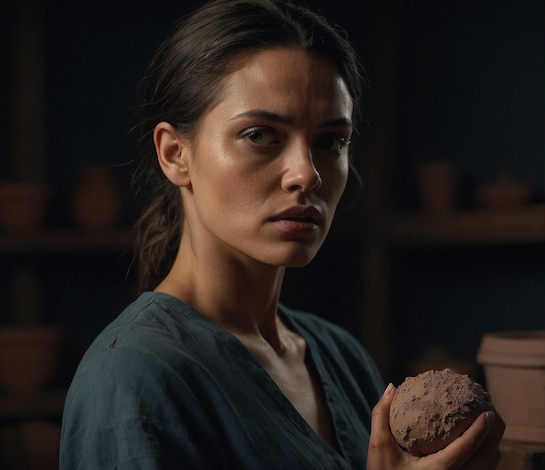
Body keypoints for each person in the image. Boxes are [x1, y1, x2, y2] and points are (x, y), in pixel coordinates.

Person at [60, 0, 504, 468]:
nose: (306, 175)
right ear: (175, 154)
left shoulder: (341, 356)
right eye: (260, 134)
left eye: (330, 141)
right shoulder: (133, 375)